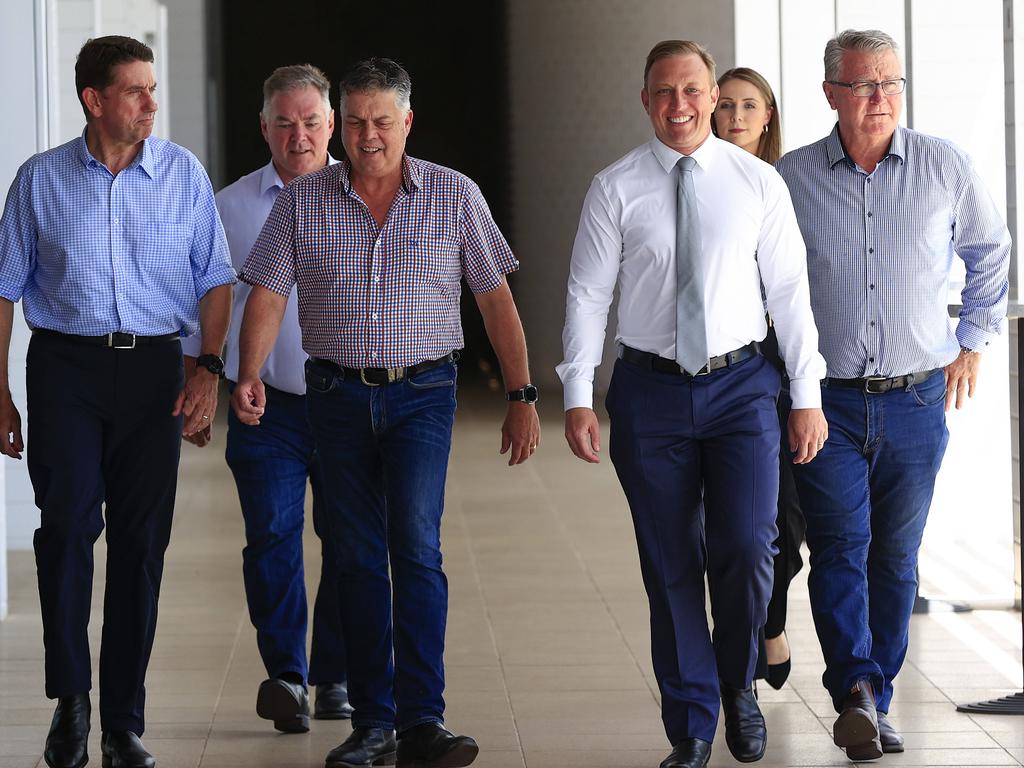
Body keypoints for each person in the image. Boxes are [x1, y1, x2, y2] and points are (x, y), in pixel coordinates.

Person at [232, 57, 540, 768]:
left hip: (423, 395)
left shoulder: (454, 196)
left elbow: (496, 301)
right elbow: (269, 297)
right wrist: (248, 374)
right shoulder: (303, 201)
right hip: (334, 397)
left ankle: (422, 720)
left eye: (382, 121)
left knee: (416, 547)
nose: (368, 136)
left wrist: (522, 397)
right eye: (357, 122)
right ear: (342, 124)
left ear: (407, 121)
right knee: (358, 557)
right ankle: (372, 723)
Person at [558, 40, 827, 768]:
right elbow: (588, 295)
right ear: (645, 101)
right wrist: (578, 393)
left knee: (747, 544)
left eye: (692, 91)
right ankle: (692, 723)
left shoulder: (757, 183)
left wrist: (806, 393)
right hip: (649, 392)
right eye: (663, 92)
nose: (679, 105)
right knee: (670, 559)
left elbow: (790, 295)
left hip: (743, 388)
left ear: (713, 97)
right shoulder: (615, 187)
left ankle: (737, 683)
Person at [775, 29, 1011, 761]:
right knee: (841, 546)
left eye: (890, 84)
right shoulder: (790, 178)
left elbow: (991, 253)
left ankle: (873, 694)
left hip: (915, 401)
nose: (879, 98)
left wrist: (971, 339)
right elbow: (766, 285)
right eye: (862, 85)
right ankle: (854, 689)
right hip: (828, 402)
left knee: (896, 557)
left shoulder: (945, 166)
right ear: (830, 95)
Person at [0, 35, 234, 768]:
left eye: (153, 88)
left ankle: (122, 723)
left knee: (140, 545)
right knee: (66, 527)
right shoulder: (38, 181)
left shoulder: (183, 175)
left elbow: (216, 277)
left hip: (154, 374)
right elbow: (5, 287)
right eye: (135, 91)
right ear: (94, 100)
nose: (151, 104)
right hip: (64, 368)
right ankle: (71, 700)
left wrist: (208, 370)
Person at [180, 63, 351, 733]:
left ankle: (335, 675)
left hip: (347, 406)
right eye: (285, 123)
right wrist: (198, 382)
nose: (299, 135)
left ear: (331, 125)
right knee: (270, 539)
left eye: (311, 122)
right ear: (264, 128)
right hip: (266, 406)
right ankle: (288, 675)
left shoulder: (363, 194)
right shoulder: (228, 207)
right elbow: (203, 305)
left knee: (349, 540)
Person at [712, 67, 802, 690]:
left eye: (750, 106)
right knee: (732, 524)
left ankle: (766, 623)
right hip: (727, 368)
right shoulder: (696, 179)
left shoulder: (788, 181)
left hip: (790, 364)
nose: (737, 116)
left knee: (785, 525)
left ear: (768, 114)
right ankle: (737, 648)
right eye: (727, 105)